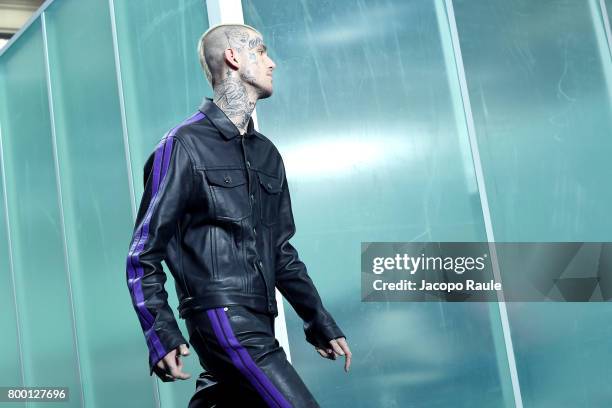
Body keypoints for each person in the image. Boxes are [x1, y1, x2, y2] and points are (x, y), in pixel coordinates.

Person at [125, 23, 351, 407]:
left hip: (258, 319)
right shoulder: (182, 145)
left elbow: (280, 251)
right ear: (233, 57)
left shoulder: (266, 154)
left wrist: (317, 318)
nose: (272, 63)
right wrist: (160, 330)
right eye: (261, 51)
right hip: (224, 318)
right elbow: (143, 253)